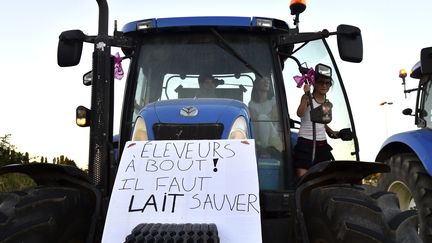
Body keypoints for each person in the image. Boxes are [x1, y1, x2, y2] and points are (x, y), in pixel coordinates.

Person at [294, 70, 340, 178]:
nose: (324, 85)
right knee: (302, 175)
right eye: (321, 82)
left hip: (321, 143)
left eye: (327, 83)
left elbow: (321, 122)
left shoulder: (326, 102)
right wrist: (306, 96)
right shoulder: (308, 98)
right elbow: (299, 113)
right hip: (306, 141)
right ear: (314, 83)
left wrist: (331, 132)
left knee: (323, 176)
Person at [248, 76, 283, 155]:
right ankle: (262, 147)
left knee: (262, 117)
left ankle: (264, 148)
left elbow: (274, 120)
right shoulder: (252, 104)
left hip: (274, 134)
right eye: (263, 80)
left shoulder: (273, 100)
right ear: (256, 85)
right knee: (262, 118)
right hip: (258, 135)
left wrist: (262, 120)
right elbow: (254, 124)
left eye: (267, 80)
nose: (266, 81)